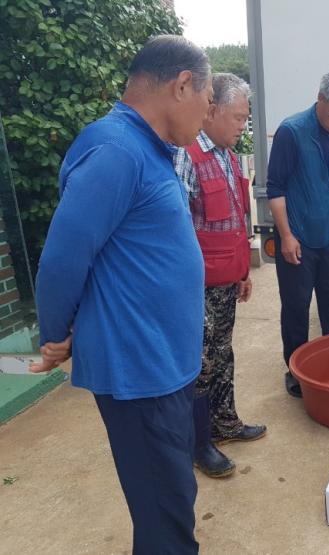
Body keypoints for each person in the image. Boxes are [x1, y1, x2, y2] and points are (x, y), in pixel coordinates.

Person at [31, 35, 212, 552]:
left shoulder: (149, 149)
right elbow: (63, 259)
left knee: (171, 498)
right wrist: (56, 335)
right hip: (140, 371)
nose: (205, 118)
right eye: (205, 103)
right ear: (181, 85)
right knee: (164, 514)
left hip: (164, 365)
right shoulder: (115, 149)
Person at [174, 73, 267, 479]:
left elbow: (235, 220)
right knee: (202, 363)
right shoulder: (187, 156)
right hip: (197, 286)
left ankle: (225, 423)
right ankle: (199, 446)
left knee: (223, 354)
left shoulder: (228, 157)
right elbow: (174, 230)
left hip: (228, 281)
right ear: (211, 111)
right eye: (237, 118)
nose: (242, 127)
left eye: (245, 119)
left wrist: (244, 270)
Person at [266, 71, 329, 398]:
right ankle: (295, 371)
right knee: (296, 308)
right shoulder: (291, 132)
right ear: (320, 99)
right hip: (298, 237)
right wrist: (286, 235)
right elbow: (276, 188)